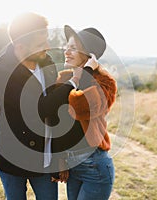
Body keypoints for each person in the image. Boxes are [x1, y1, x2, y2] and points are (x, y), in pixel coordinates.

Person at [0, 12, 60, 200]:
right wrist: (72, 83)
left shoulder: (48, 63)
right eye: (40, 44)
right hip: (13, 158)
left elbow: (57, 115)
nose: (48, 47)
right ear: (20, 46)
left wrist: (61, 154)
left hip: (45, 159)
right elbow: (34, 110)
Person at [47, 25, 117, 199]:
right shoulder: (64, 78)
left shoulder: (105, 82)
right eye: (67, 47)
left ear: (89, 56)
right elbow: (56, 121)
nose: (66, 51)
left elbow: (78, 108)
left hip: (94, 165)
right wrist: (60, 158)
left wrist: (85, 73)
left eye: (73, 48)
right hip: (72, 165)